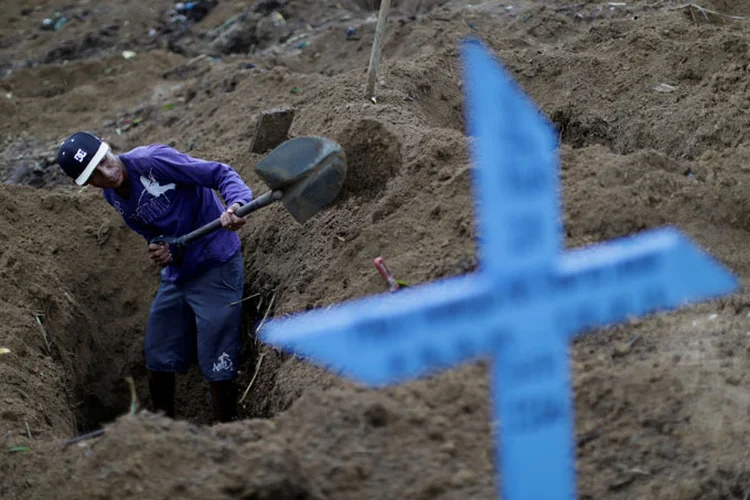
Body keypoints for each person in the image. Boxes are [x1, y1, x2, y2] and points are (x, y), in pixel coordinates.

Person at [56, 131, 253, 423]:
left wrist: (235, 204)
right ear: (81, 184)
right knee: (158, 354)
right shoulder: (112, 196)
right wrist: (162, 249)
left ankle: (229, 431)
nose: (106, 173)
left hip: (215, 263)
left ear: (108, 147)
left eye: (104, 161)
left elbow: (220, 173)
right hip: (178, 273)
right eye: (93, 174)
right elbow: (153, 233)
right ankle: (162, 434)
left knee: (217, 360)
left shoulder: (152, 161)